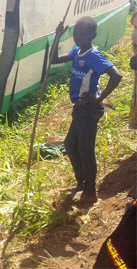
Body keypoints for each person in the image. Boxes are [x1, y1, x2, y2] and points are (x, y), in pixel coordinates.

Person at [52, 16, 122, 204]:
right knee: (70, 145)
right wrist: (58, 36)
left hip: (88, 110)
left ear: (93, 35)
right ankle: (82, 184)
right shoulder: (77, 51)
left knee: (85, 149)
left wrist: (98, 99)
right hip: (79, 109)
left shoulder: (93, 55)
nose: (78, 37)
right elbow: (53, 59)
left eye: (83, 34)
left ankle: (90, 191)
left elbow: (116, 76)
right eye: (76, 34)